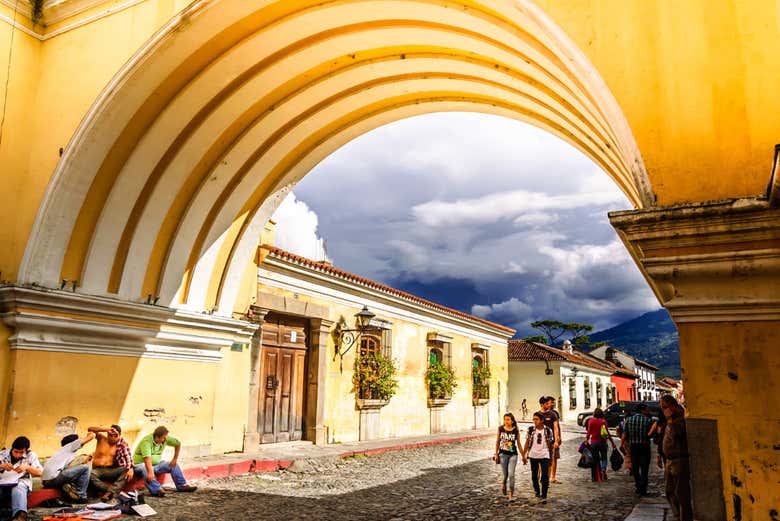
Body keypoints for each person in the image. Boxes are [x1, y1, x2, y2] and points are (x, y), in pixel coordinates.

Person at [132, 425, 197, 497]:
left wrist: (174, 459)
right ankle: (157, 490)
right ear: (157, 437)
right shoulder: (146, 441)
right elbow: (147, 459)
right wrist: (150, 472)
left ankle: (182, 485)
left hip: (157, 464)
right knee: (145, 467)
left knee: (173, 465)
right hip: (140, 465)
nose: (165, 439)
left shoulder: (165, 439)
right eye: (163, 438)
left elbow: (178, 443)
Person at [661, 395, 692, 521]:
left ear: (672, 407)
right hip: (670, 460)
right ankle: (677, 515)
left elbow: (677, 434)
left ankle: (684, 517)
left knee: (682, 493)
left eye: (664, 407)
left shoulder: (680, 420)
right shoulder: (671, 420)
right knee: (669, 491)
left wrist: (670, 421)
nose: (663, 410)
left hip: (679, 460)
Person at [42, 432, 95, 502]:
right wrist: (93, 431)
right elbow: (92, 436)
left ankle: (70, 490)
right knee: (86, 468)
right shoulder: (70, 446)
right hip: (53, 479)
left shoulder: (62, 451)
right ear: (74, 442)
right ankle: (81, 495)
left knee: (77, 470)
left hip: (46, 481)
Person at [0, 436, 43, 521]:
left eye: (21, 452)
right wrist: (1, 466)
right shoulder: (2, 454)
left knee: (19, 487)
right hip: (3, 482)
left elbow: (40, 472)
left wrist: (27, 468)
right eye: (15, 452)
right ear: (12, 448)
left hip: (20, 482)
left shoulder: (31, 455)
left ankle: (20, 516)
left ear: (26, 450)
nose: (18, 455)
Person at [88, 424, 133, 500]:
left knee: (126, 470)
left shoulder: (121, 445)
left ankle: (109, 492)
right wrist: (106, 429)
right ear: (107, 434)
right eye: (110, 435)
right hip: (97, 470)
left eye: (115, 435)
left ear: (119, 435)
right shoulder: (101, 438)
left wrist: (131, 468)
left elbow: (128, 457)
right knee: (90, 474)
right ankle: (110, 491)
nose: (113, 438)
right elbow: (90, 429)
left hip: (110, 470)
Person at [522, 412, 555, 502]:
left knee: (545, 475)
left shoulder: (548, 430)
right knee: (534, 475)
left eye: (536, 419)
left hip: (545, 454)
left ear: (542, 420)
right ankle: (537, 491)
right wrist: (524, 454)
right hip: (533, 455)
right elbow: (527, 442)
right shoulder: (530, 430)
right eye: (533, 419)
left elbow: (551, 445)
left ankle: (544, 495)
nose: (534, 421)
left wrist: (551, 457)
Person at [623, 404, 654, 495]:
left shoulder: (629, 420)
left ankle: (638, 485)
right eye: (647, 410)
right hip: (644, 446)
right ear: (642, 410)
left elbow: (625, 433)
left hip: (633, 446)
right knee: (644, 468)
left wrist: (622, 444)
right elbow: (650, 434)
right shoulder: (648, 420)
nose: (648, 411)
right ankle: (643, 488)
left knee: (635, 467)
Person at [584, 408, 616, 482]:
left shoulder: (591, 421)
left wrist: (586, 439)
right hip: (603, 442)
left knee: (594, 459)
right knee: (604, 457)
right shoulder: (603, 421)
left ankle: (594, 476)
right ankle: (603, 470)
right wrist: (612, 443)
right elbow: (607, 433)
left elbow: (589, 432)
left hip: (594, 442)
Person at [493, 413, 520, 501]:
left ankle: (511, 494)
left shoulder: (515, 430)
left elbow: (519, 444)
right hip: (503, 454)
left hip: (513, 454)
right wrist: (496, 454)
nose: (506, 421)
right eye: (505, 419)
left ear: (512, 420)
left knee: (511, 474)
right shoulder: (500, 429)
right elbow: (497, 441)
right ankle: (504, 483)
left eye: (508, 419)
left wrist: (523, 455)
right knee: (505, 475)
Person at [537, 396, 561, 483]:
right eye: (547, 404)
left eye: (549, 403)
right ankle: (540, 477)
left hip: (551, 441)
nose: (549, 405)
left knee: (551, 460)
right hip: (541, 442)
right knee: (540, 460)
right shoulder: (538, 414)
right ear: (542, 404)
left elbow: (556, 428)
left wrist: (556, 440)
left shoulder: (553, 414)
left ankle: (548, 478)